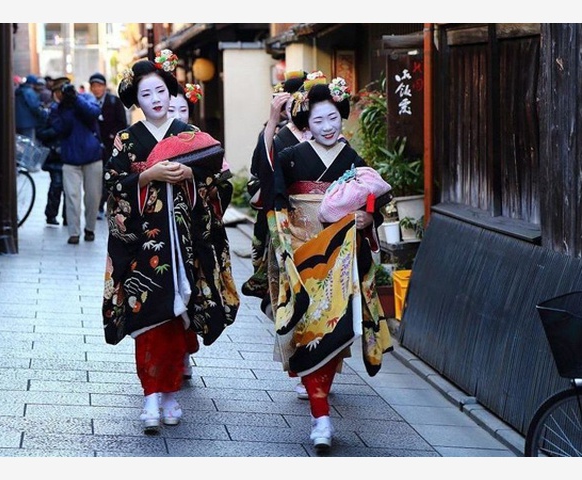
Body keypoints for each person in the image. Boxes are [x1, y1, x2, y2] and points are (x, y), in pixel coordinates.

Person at [102, 51, 239, 434]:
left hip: (184, 243)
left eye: (161, 90)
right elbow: (113, 186)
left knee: (180, 315)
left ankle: (170, 394)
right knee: (147, 317)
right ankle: (150, 397)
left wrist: (190, 175)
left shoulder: (188, 136)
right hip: (144, 247)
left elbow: (215, 182)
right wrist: (147, 177)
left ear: (171, 91)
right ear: (136, 101)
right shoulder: (126, 139)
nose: (156, 99)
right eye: (146, 94)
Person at [270, 72, 393, 452]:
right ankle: (321, 418)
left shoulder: (353, 159)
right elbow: (275, 203)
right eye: (317, 120)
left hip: (342, 264)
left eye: (333, 118)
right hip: (304, 258)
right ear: (306, 122)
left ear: (342, 116)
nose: (326, 126)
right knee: (309, 334)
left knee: (335, 335)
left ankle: (321, 403)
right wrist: (284, 245)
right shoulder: (290, 158)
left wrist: (369, 218)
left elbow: (377, 204)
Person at [241, 71, 310, 399]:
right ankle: (302, 366)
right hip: (283, 228)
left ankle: (318, 367)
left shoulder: (326, 137)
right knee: (292, 297)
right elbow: (258, 179)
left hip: (320, 228)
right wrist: (270, 126)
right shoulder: (276, 137)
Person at [167, 81, 204, 379]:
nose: (178, 115)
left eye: (183, 109)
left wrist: (199, 176)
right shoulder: (149, 141)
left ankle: (184, 352)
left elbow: (222, 179)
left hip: (192, 229)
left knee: (189, 289)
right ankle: (173, 354)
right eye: (171, 109)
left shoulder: (201, 141)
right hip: (159, 232)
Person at [48, 81, 103, 244]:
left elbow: (94, 113)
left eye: (63, 91)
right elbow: (61, 129)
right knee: (72, 197)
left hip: (92, 156)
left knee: (93, 196)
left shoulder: (86, 98)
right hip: (70, 158)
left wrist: (76, 99)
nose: (60, 95)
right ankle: (74, 232)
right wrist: (66, 107)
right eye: (57, 92)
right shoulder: (56, 109)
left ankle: (90, 229)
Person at [88, 72, 129, 220]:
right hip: (94, 147)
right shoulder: (88, 103)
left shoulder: (113, 101)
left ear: (104, 87)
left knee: (111, 175)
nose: (97, 89)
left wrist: (114, 136)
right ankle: (98, 206)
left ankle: (110, 205)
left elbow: (122, 122)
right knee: (96, 178)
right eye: (94, 86)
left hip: (111, 146)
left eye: (99, 86)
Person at [36, 77, 69, 227]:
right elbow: (40, 133)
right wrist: (55, 130)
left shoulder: (70, 109)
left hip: (69, 154)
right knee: (56, 184)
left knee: (69, 187)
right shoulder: (47, 110)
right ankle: (51, 215)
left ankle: (68, 217)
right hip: (54, 154)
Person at [14, 74, 46, 142]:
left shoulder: (19, 90)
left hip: (18, 122)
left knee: (21, 144)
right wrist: (43, 115)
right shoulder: (29, 92)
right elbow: (34, 107)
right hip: (28, 123)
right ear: (33, 83)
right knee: (29, 144)